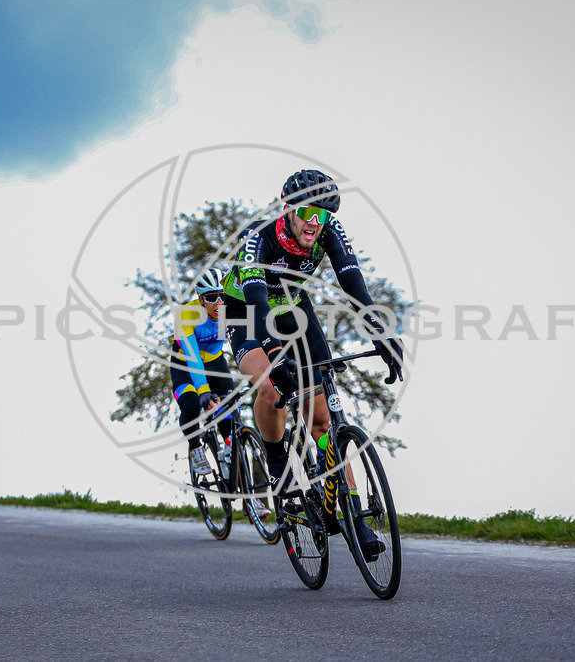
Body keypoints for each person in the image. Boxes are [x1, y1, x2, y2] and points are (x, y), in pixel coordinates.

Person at [222, 169, 404, 558]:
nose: (313, 223)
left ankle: (354, 515)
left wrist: (381, 335)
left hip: (293, 308)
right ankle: (277, 467)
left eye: (321, 216)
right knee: (272, 389)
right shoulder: (259, 236)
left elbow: (355, 288)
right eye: (307, 213)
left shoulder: (329, 230)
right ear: (287, 208)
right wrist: (272, 353)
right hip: (247, 312)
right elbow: (254, 299)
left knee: (323, 420)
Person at [169, 270, 272, 520]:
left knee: (230, 422)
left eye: (222, 296)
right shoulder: (187, 315)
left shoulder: (231, 310)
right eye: (212, 297)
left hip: (215, 363)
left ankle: (249, 497)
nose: (219, 303)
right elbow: (192, 357)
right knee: (193, 403)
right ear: (201, 299)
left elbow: (253, 339)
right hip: (186, 363)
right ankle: (196, 448)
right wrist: (204, 391)